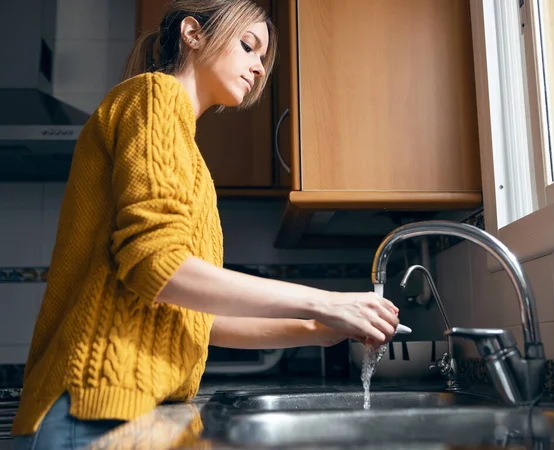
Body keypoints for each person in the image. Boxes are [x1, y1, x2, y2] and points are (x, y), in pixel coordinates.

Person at [11, 0, 399, 448]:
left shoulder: (191, 160)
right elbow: (160, 267)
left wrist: (321, 331)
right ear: (193, 34)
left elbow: (193, 317)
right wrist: (325, 302)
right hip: (97, 408)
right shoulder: (154, 97)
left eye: (263, 59)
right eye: (248, 46)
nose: (258, 67)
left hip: (134, 409)